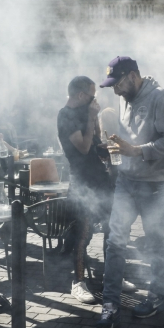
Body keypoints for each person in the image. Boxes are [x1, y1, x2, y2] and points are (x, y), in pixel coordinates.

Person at [96, 56, 164, 328]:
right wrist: (116, 150)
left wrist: (137, 150)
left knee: (154, 241)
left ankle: (157, 297)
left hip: (154, 185)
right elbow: (127, 138)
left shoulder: (160, 97)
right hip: (126, 181)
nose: (115, 91)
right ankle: (110, 304)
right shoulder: (124, 99)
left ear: (132, 76)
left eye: (118, 84)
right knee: (115, 241)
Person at [57, 76, 112, 303]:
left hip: (101, 179)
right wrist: (91, 117)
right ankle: (78, 283)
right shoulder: (66, 115)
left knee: (113, 227)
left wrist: (109, 146)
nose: (94, 100)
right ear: (81, 96)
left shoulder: (86, 112)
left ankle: (112, 274)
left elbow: (95, 143)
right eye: (92, 96)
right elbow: (82, 147)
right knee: (83, 233)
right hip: (82, 182)